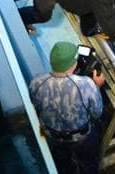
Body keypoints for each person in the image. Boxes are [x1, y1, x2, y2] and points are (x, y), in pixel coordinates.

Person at [30, 41, 105, 173]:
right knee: (89, 164)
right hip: (81, 138)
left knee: (63, 167)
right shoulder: (85, 84)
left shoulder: (36, 82)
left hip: (51, 136)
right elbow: (97, 112)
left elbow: (36, 106)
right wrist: (97, 86)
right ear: (73, 63)